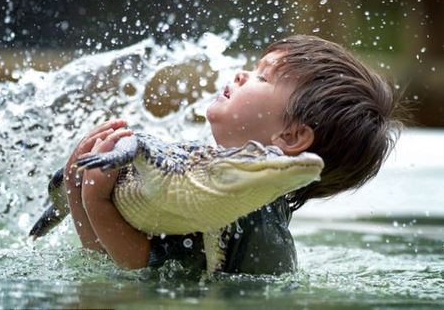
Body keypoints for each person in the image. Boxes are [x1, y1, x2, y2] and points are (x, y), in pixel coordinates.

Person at [63, 35, 401, 275]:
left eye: (262, 77)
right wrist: (75, 184)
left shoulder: (248, 212)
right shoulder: (209, 176)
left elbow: (147, 273)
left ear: (291, 136)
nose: (241, 74)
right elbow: (104, 260)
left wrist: (94, 199)